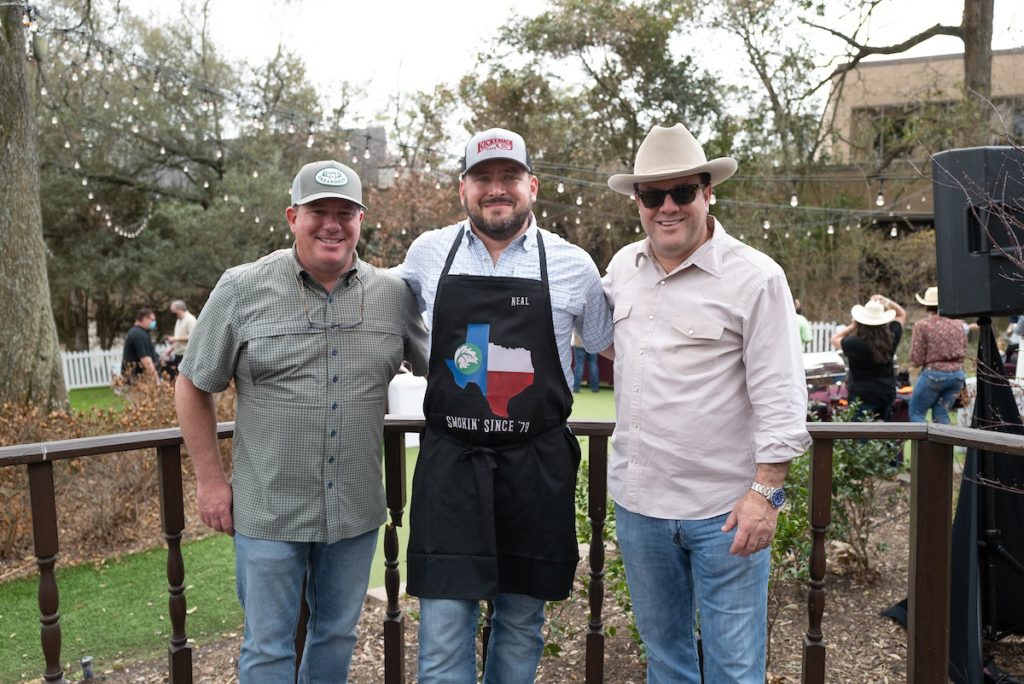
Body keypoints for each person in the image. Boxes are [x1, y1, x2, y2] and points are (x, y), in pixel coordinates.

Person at [174, 160, 428, 681]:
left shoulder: (392, 296)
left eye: (345, 213)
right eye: (318, 212)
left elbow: (449, 370)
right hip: (268, 511)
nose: (331, 225)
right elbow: (193, 384)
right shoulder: (241, 288)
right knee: (268, 647)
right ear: (293, 216)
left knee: (336, 635)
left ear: (361, 221)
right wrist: (210, 481)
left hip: (355, 511)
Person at [391, 127, 614, 683]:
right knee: (443, 630)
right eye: (483, 179)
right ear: (463, 189)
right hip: (451, 464)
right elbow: (376, 316)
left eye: (509, 177)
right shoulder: (426, 254)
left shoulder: (573, 265)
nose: (497, 190)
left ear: (531, 185)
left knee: (520, 624)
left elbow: (620, 347)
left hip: (535, 466)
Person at [602, 122, 811, 682]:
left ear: (707, 192)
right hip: (639, 506)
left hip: (726, 512)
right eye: (652, 195)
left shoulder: (757, 277)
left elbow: (782, 394)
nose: (667, 206)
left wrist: (765, 494)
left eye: (682, 191)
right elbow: (601, 342)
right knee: (666, 662)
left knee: (735, 670)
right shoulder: (623, 268)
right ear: (638, 203)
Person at [831, 294, 907, 421]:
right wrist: (887, 301)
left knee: (861, 434)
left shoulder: (854, 343)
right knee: (884, 432)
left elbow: (834, 340)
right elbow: (901, 314)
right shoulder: (892, 337)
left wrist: (852, 326)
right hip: (886, 391)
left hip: (861, 395)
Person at [908, 285, 967, 424]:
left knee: (916, 412)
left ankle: (923, 446)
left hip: (934, 375)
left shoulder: (922, 325)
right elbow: (964, 350)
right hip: (957, 375)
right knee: (941, 413)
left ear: (927, 306)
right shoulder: (958, 324)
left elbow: (916, 358)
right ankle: (944, 445)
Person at [121, 307, 159, 382]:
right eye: (152, 320)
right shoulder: (139, 335)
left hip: (136, 377)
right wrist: (156, 379)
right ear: (144, 319)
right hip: (137, 378)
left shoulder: (139, 332)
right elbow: (145, 359)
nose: (154, 322)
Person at [161, 299, 196, 380]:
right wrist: (171, 349)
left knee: (183, 379)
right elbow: (178, 338)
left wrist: (175, 339)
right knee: (174, 377)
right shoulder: (179, 319)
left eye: (174, 311)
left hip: (186, 355)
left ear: (180, 309)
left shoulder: (190, 319)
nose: (172, 313)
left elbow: (193, 337)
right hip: (178, 354)